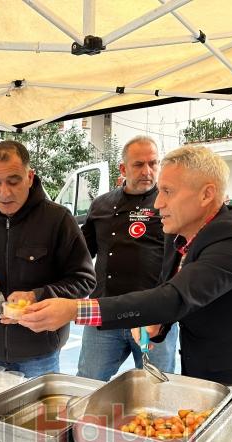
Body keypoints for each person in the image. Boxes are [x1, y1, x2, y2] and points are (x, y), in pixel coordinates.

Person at [19, 145, 232, 397]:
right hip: (213, 379)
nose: (158, 203)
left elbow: (173, 297)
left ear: (206, 194)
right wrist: (159, 325)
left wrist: (74, 310)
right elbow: (177, 292)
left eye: (167, 192)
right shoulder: (183, 236)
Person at [0, 140, 95, 377]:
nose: (4, 192)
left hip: (40, 351)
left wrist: (36, 296)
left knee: (40, 415)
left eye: (13, 181)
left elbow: (84, 280)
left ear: (29, 176)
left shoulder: (57, 219)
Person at [78, 135, 178, 381]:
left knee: (156, 387)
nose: (147, 171)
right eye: (138, 164)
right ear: (123, 168)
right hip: (103, 313)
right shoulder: (101, 205)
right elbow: (81, 254)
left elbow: (181, 262)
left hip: (152, 317)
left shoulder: (170, 205)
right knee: (87, 383)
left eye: (153, 163)